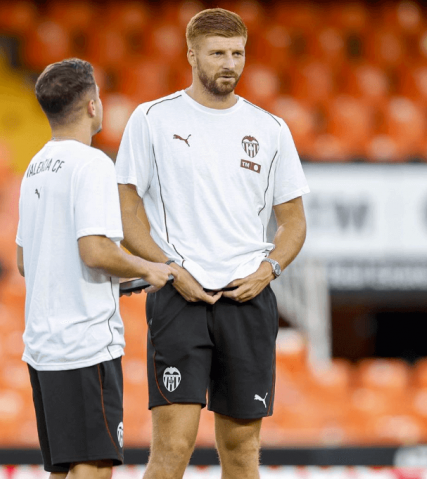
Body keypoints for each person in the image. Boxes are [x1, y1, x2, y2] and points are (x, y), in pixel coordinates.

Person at [115, 8, 309, 479]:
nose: (229, 63)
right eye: (217, 53)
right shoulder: (152, 119)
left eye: (237, 53)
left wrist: (270, 270)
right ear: (191, 54)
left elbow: (294, 222)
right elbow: (125, 209)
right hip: (179, 297)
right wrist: (167, 268)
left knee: (242, 451)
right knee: (172, 449)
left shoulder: (271, 129)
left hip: (249, 298)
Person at [15, 58, 174, 479]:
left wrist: (119, 280)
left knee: (64, 468)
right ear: (91, 105)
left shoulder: (35, 167)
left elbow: (23, 260)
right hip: (84, 343)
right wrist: (149, 268)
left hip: (43, 343)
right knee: (96, 465)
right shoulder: (93, 164)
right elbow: (94, 250)